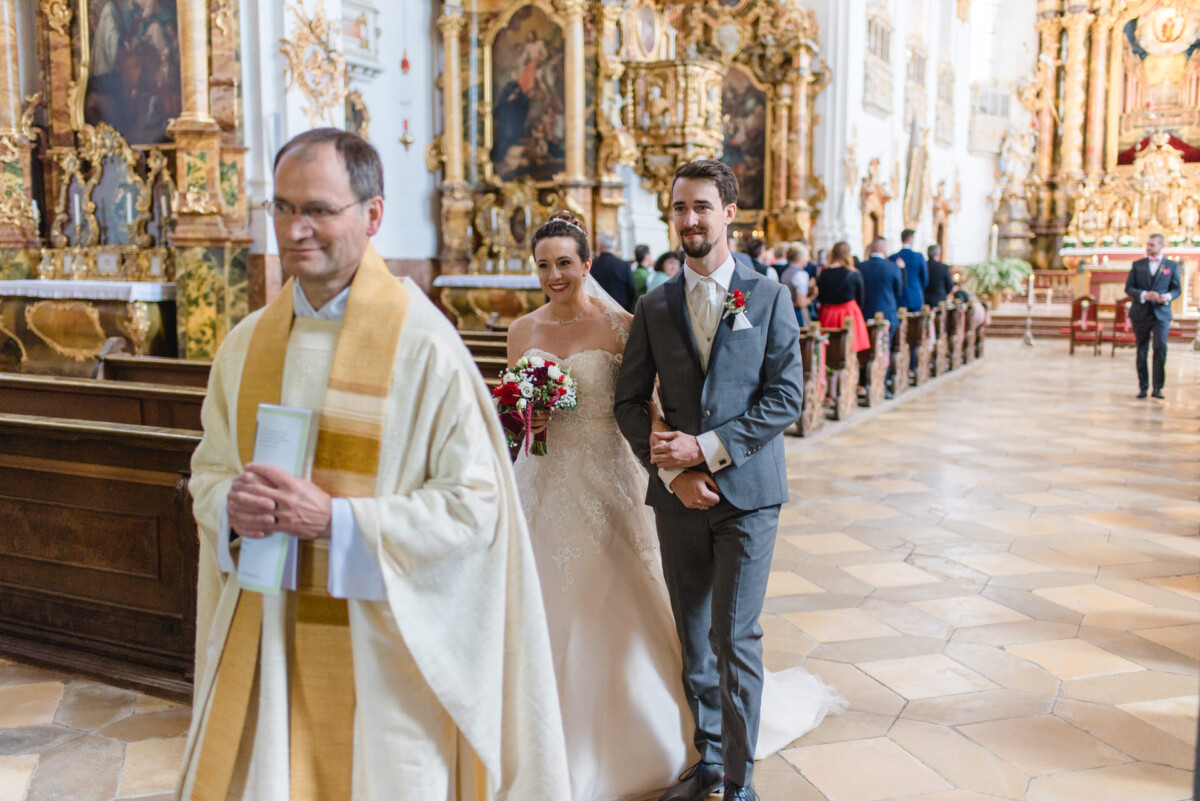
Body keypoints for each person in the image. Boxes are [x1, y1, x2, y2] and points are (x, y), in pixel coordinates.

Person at [179, 129, 569, 801]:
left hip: (384, 659)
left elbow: (475, 508)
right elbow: (210, 470)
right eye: (282, 208)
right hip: (268, 645)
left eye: (320, 209)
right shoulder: (243, 349)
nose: (296, 229)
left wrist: (338, 520)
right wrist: (226, 508)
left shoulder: (425, 350)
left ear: (374, 215)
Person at [614, 159, 816, 801]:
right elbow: (626, 402)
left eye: (701, 206)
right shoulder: (652, 304)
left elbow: (786, 396)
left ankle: (738, 780)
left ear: (729, 213)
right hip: (677, 501)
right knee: (692, 633)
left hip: (749, 496)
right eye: (679, 207)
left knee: (735, 637)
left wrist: (705, 448)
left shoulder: (769, 295)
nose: (689, 219)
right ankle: (707, 755)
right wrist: (670, 473)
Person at [1125, 232, 1181, 399]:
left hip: (1161, 314)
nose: (1148, 247)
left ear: (1161, 246)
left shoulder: (1171, 265)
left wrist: (1168, 297)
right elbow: (1129, 288)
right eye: (1147, 244)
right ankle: (1143, 387)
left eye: (1152, 245)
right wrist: (1143, 294)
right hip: (1141, 314)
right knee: (1142, 349)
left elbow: (1177, 289)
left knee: (1160, 348)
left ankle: (1157, 388)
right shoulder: (1138, 265)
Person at [859, 237, 903, 393]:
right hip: (886, 313)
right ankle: (881, 384)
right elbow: (898, 290)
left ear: (871, 249)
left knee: (864, 349)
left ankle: (863, 383)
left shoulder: (860, 267)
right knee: (884, 348)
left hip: (864, 313)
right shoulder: (892, 267)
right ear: (884, 249)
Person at [817, 242, 870, 353]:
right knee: (850, 349)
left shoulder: (824, 272)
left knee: (830, 349)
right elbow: (861, 298)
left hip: (829, 313)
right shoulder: (854, 273)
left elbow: (821, 297)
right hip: (849, 313)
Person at [590, 230, 637, 312]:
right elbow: (631, 291)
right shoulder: (624, 265)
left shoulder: (592, 265)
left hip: (598, 311)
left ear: (599, 245)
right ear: (614, 246)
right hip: (621, 310)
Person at [890, 228, 928, 315]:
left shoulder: (893, 257)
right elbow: (924, 279)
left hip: (900, 297)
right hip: (915, 296)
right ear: (911, 239)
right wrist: (918, 289)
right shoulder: (919, 257)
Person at [778, 242, 815, 329]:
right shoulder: (801, 274)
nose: (808, 258)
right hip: (798, 315)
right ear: (799, 257)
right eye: (806, 255)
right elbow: (801, 302)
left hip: (786, 312)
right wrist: (813, 296)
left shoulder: (785, 272)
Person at [924, 244, 955, 309]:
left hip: (925, 301)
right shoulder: (944, 267)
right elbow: (949, 286)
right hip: (940, 301)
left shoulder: (924, 266)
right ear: (938, 254)